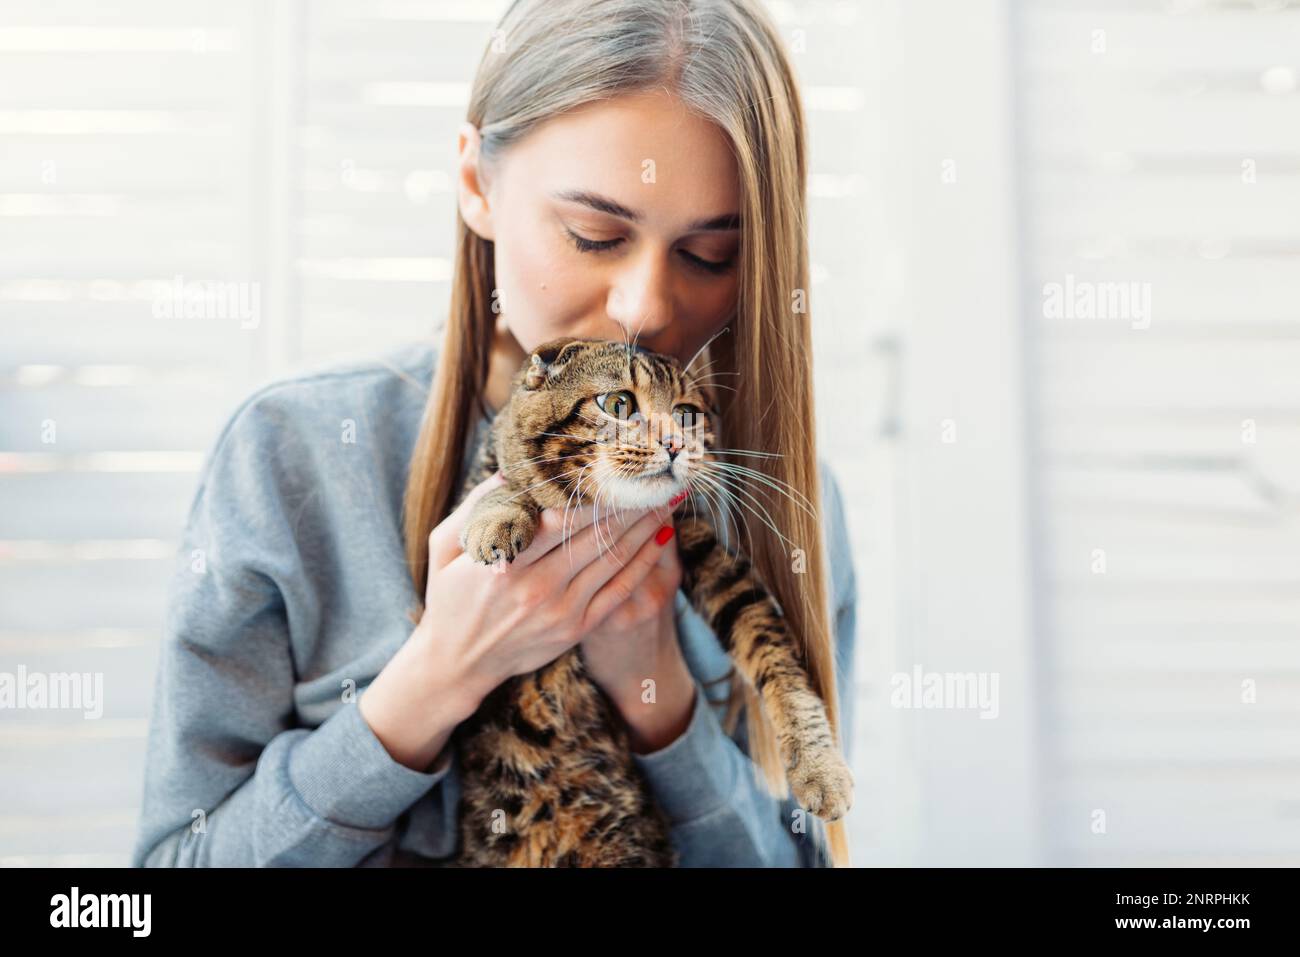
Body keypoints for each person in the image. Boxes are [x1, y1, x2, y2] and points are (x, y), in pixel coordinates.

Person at [131, 0, 858, 868]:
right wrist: (430, 683)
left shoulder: (784, 502)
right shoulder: (291, 455)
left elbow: (808, 856)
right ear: (476, 183)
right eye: (595, 235)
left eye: (709, 255)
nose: (646, 308)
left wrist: (656, 694)